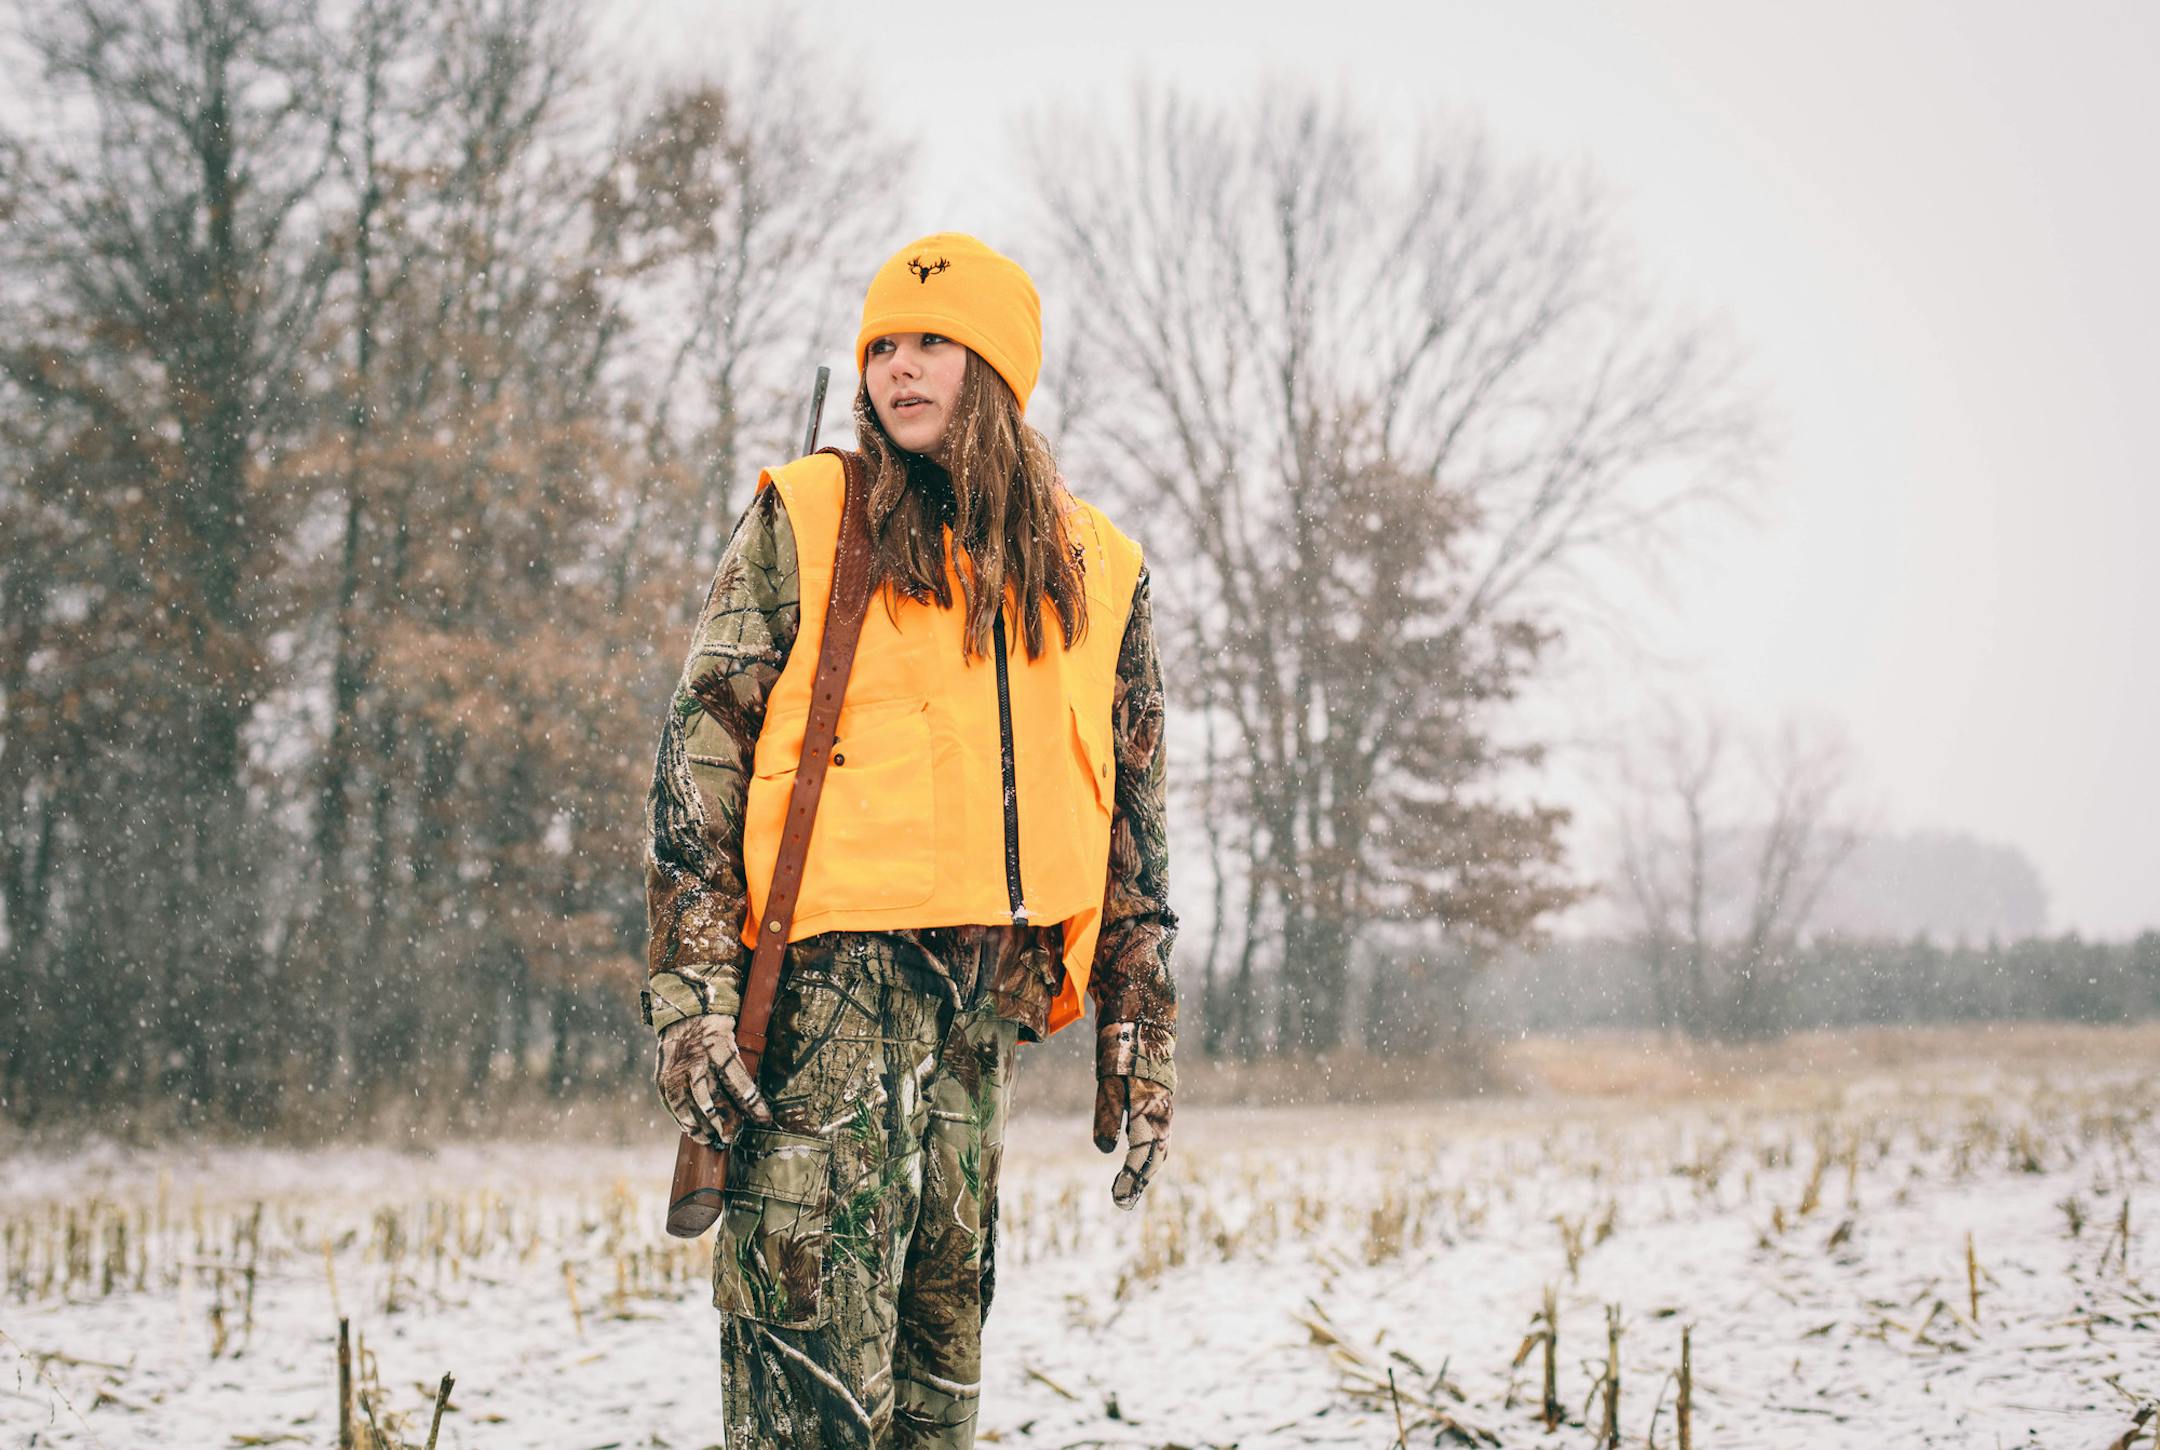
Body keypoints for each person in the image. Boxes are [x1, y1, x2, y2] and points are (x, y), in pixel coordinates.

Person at [640, 231, 1179, 1448]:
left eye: (934, 340)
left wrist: (1138, 1025)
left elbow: (1133, 824)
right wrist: (695, 996)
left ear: (999, 365)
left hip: (986, 1008)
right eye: (883, 342)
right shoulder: (809, 515)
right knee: (811, 1394)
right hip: (823, 1005)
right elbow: (698, 763)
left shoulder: (1101, 567)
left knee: (940, 1384)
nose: (899, 365)